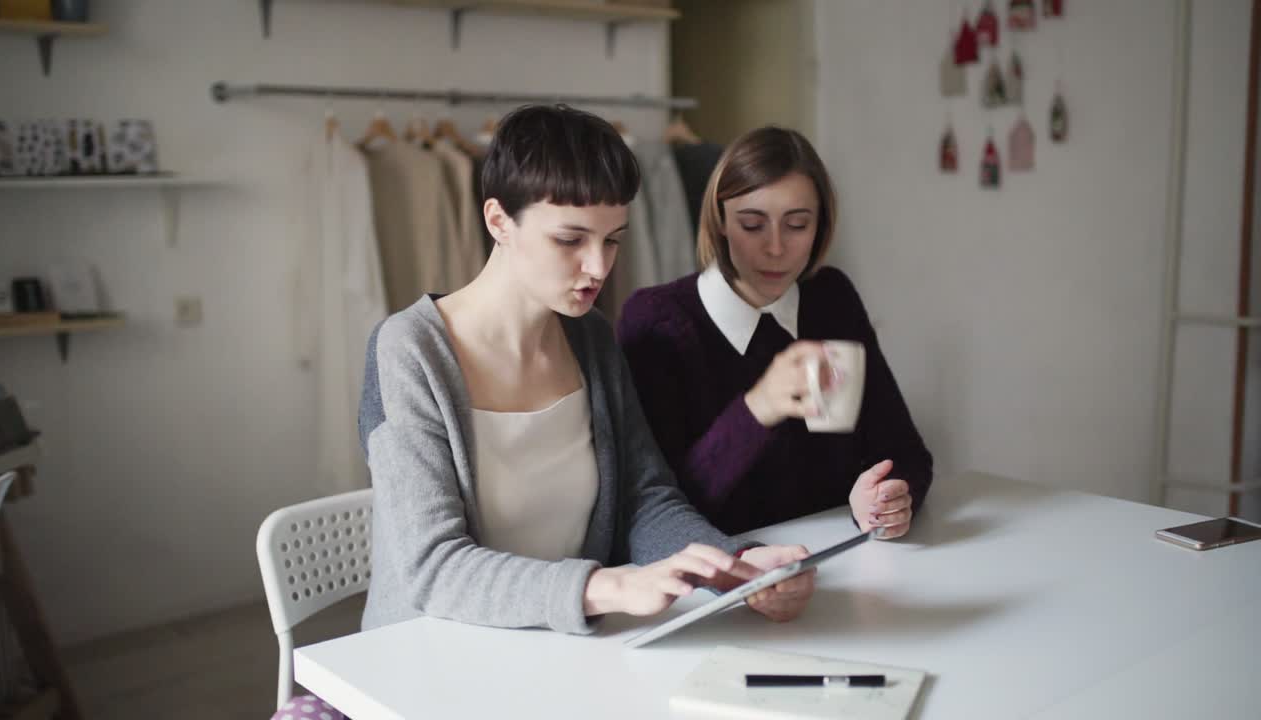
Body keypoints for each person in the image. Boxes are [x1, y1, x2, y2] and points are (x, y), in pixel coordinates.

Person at [358, 106, 816, 635]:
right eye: (571, 240)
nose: (599, 267)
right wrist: (608, 587)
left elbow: (645, 500)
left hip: (564, 649)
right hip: (424, 659)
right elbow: (433, 567)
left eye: (613, 239)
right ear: (498, 221)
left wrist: (733, 565)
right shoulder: (410, 351)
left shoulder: (590, 337)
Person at [617, 126, 933, 539]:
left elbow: (905, 452)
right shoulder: (658, 320)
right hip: (726, 576)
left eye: (797, 225)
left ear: (820, 225)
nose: (776, 248)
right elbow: (659, 512)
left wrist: (888, 498)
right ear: (721, 221)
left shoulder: (831, 298)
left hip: (840, 560)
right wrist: (758, 408)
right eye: (752, 225)